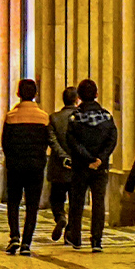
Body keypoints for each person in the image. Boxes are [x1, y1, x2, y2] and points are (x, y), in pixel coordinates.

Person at [63, 79, 118, 252]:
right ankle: (97, 240)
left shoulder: (75, 118)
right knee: (99, 203)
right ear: (96, 94)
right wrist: (100, 158)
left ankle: (76, 238)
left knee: (77, 202)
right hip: (100, 167)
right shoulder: (106, 116)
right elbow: (112, 139)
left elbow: (72, 141)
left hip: (80, 167)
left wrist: (87, 158)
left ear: (78, 96)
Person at [0, 79, 51, 255]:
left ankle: (14, 235)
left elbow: (5, 143)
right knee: (32, 205)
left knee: (13, 202)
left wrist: (11, 159)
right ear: (35, 94)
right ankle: (26, 243)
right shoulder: (43, 117)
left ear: (18, 94)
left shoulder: (11, 117)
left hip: (15, 166)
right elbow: (46, 141)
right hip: (36, 166)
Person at [47, 86, 77, 241]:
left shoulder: (54, 118)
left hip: (58, 166)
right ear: (76, 100)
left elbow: (51, 141)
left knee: (56, 198)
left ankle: (60, 217)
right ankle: (70, 233)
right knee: (75, 201)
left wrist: (63, 156)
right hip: (77, 167)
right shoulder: (81, 117)